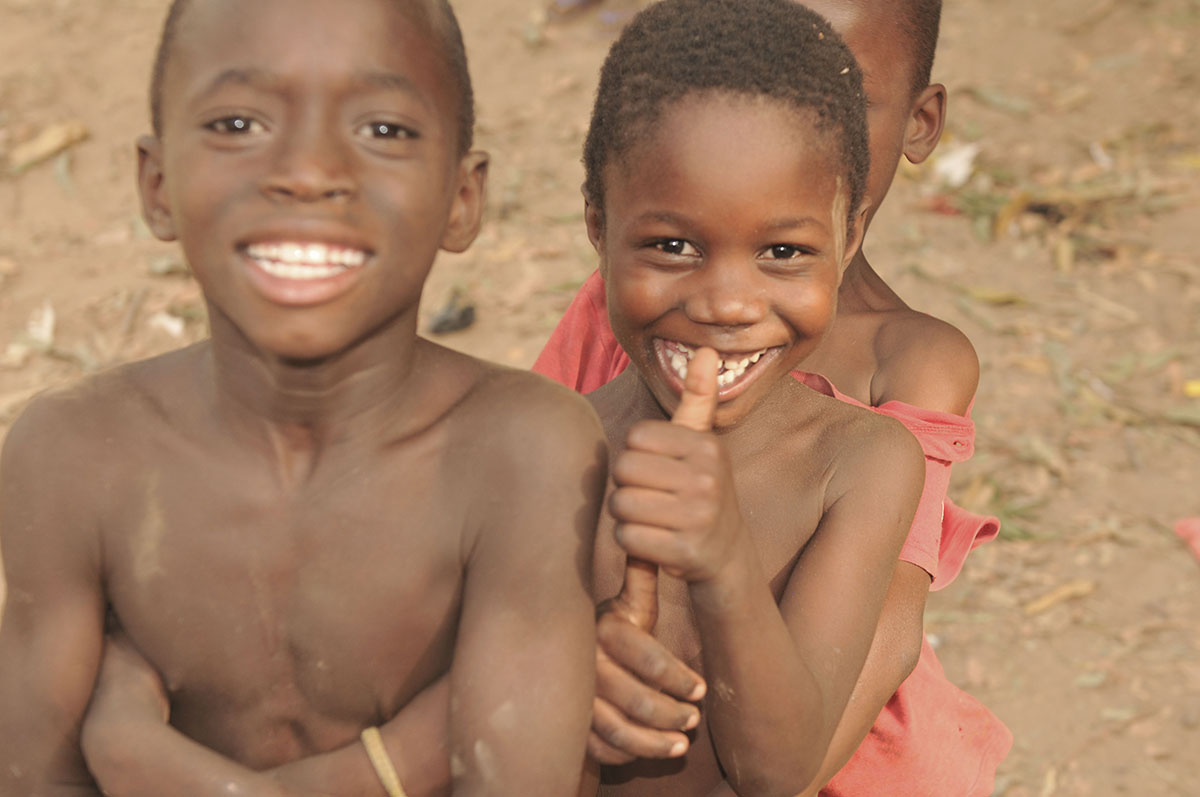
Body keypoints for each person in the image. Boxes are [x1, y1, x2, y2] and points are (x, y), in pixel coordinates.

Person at [0, 1, 606, 795]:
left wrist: (148, 762)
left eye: (383, 129)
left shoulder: (525, 456)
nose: (309, 171)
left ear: (461, 197)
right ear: (157, 184)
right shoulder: (74, 455)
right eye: (238, 124)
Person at [537, 0, 1012, 793]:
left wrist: (720, 551)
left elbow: (805, 738)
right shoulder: (537, 438)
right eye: (674, 245)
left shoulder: (871, 438)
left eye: (782, 250)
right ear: (600, 226)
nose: (727, 304)